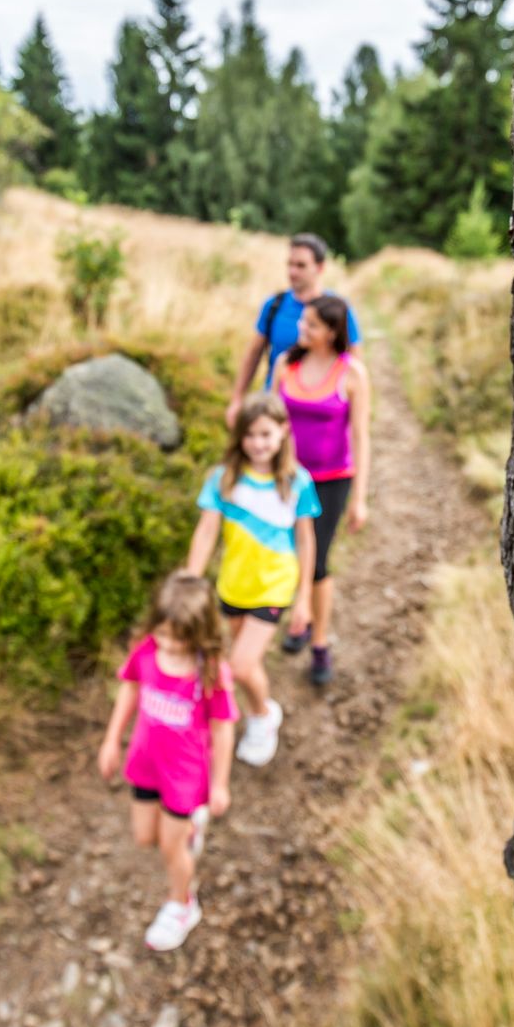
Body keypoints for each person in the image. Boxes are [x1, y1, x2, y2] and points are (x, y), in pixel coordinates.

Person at [97, 571, 238, 952]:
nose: (169, 645)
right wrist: (112, 739)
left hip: (185, 778)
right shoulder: (145, 651)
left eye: (179, 639)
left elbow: (223, 729)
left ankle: (181, 904)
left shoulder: (211, 672)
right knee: (145, 837)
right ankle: (188, 832)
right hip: (145, 764)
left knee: (169, 848)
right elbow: (129, 688)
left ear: (198, 633)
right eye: (163, 635)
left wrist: (220, 784)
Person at [185, 393, 319, 767]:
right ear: (239, 437)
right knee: (244, 661)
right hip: (233, 586)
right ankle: (259, 706)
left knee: (240, 665)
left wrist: (304, 598)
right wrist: (191, 582)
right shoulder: (223, 479)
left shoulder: (297, 482)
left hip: (274, 586)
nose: (258, 443)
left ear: (282, 433)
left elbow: (307, 541)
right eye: (249, 435)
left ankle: (262, 716)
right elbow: (207, 530)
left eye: (265, 434)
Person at [276, 295, 371, 685]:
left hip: (332, 481)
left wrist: (360, 498)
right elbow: (270, 419)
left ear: (333, 332)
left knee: (317, 562)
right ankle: (300, 617)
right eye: (303, 322)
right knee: (286, 553)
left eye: (312, 325)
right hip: (284, 478)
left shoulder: (352, 373)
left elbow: (361, 437)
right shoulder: (287, 363)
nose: (302, 329)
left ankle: (318, 643)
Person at [225, 234, 363, 431]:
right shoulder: (274, 305)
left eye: (301, 265)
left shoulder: (338, 310)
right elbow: (253, 354)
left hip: (320, 416)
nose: (292, 272)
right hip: (276, 411)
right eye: (289, 264)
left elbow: (354, 364)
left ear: (320, 267)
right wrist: (237, 399)